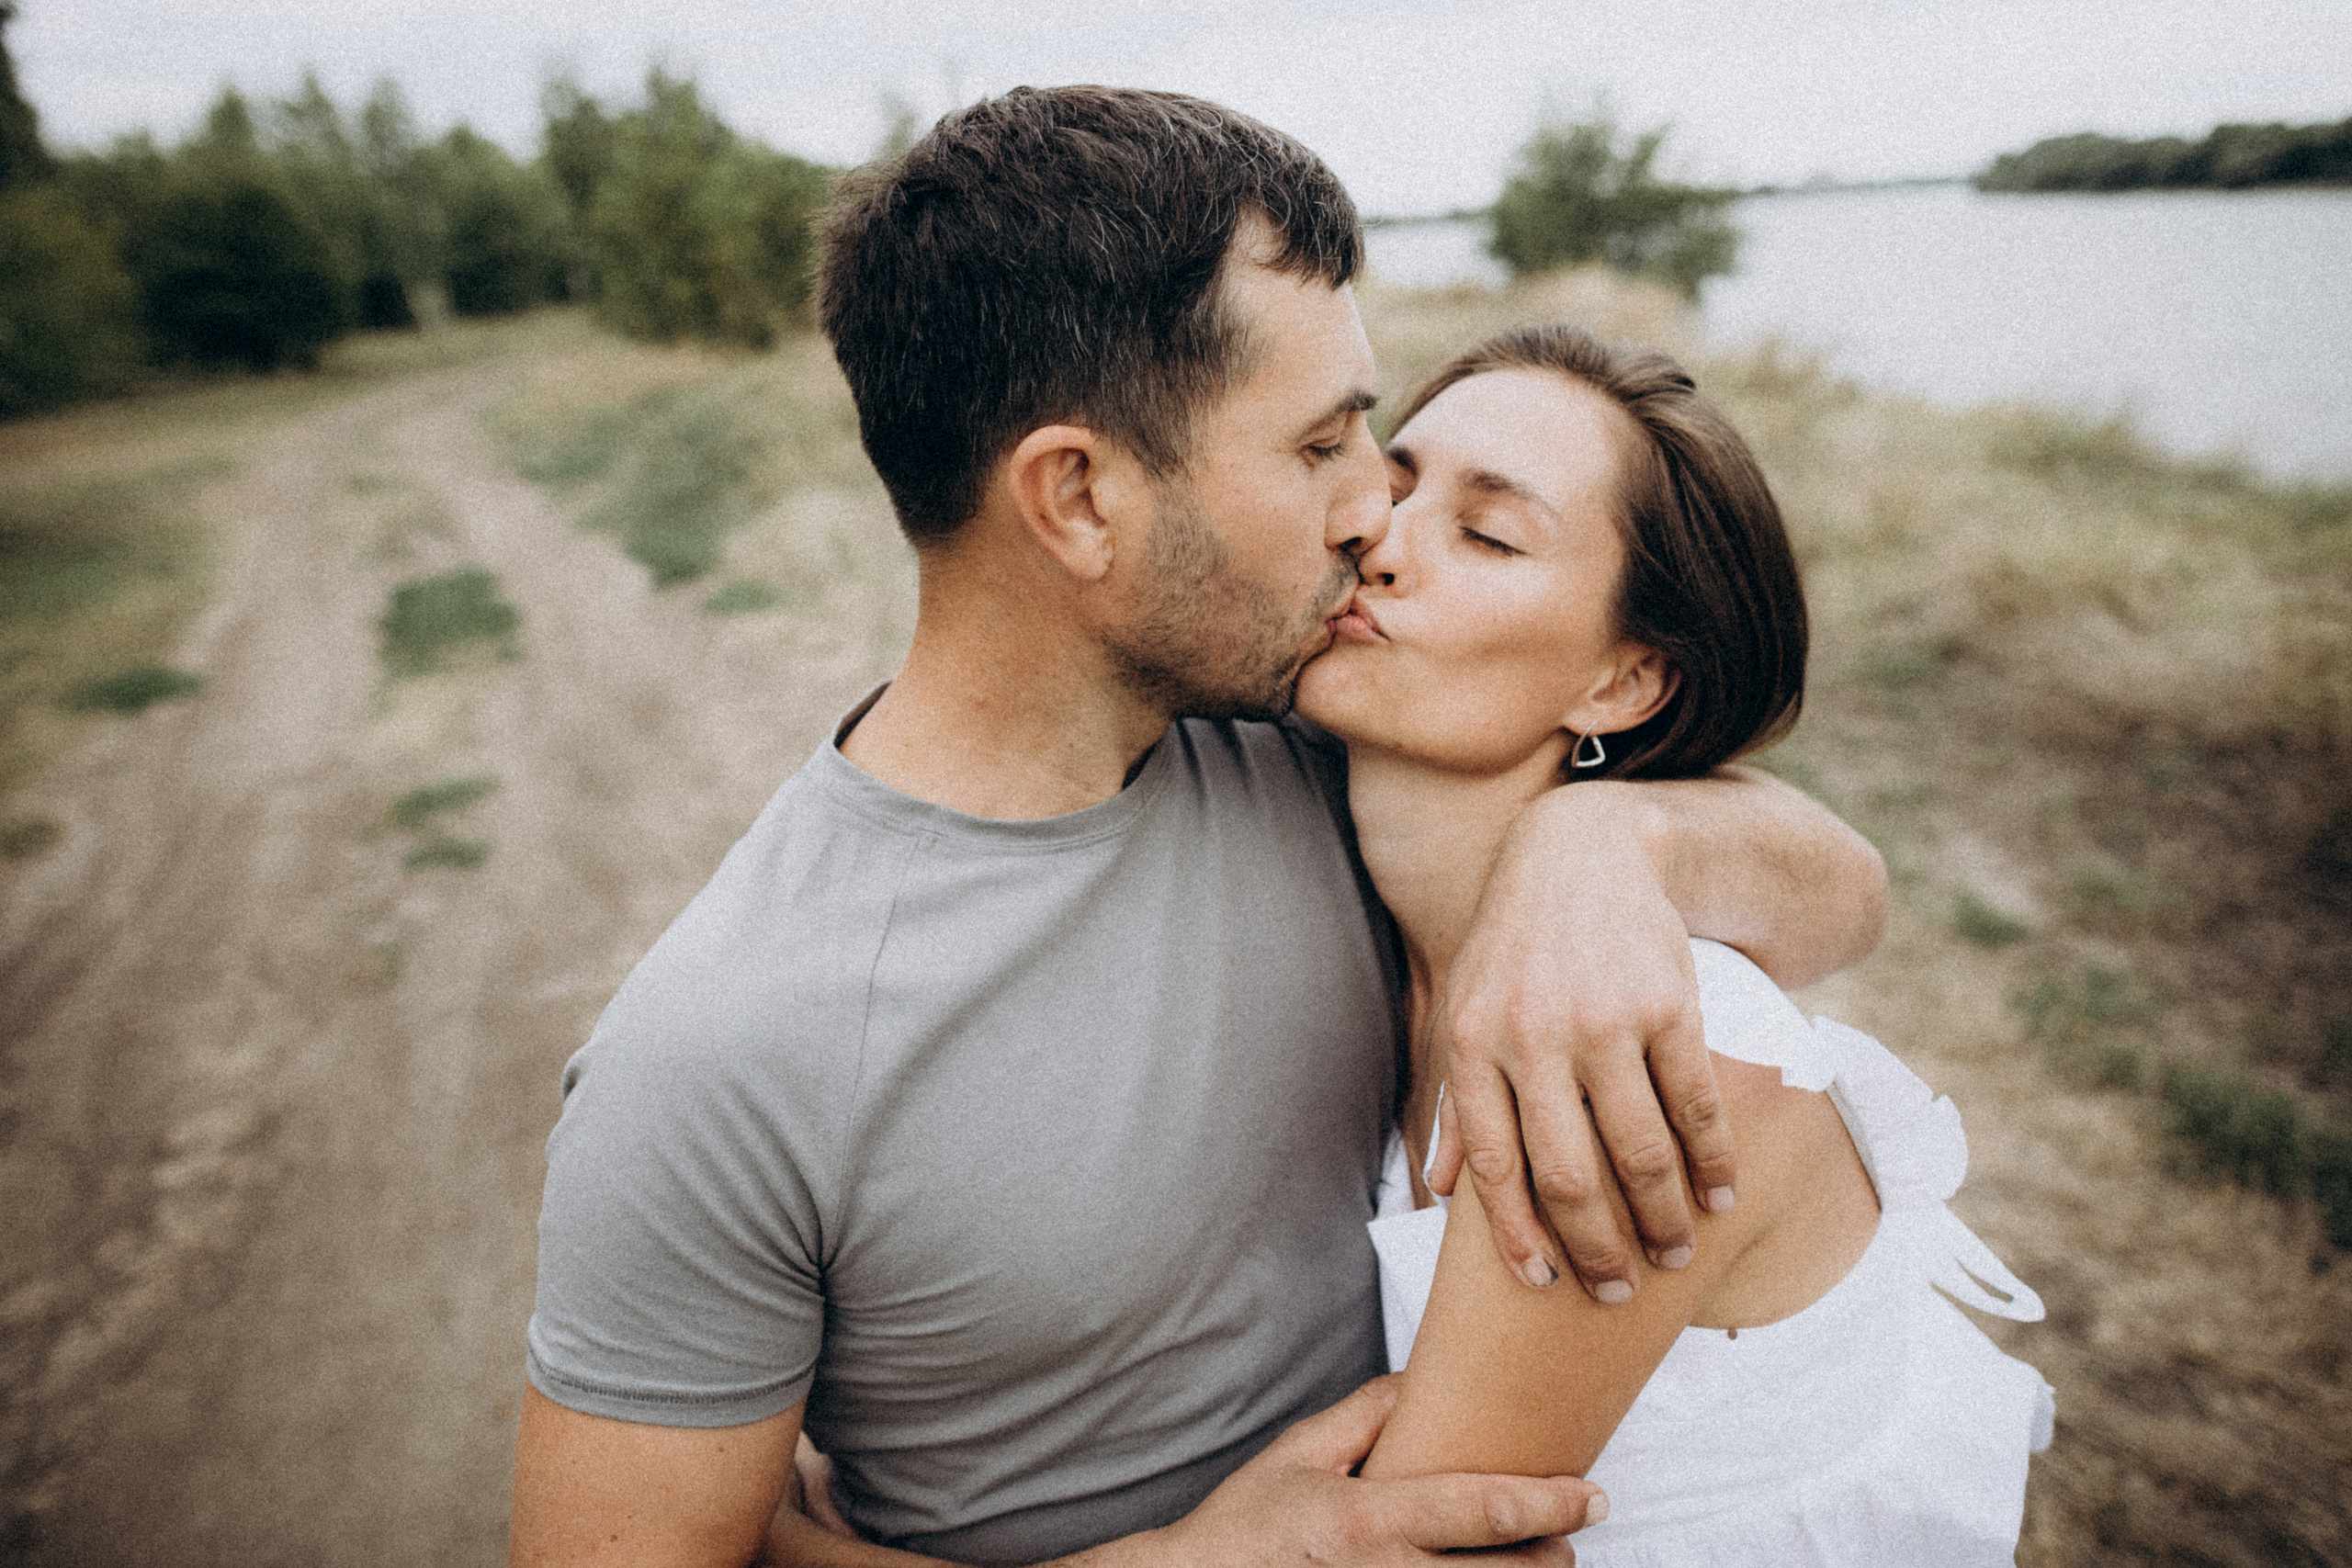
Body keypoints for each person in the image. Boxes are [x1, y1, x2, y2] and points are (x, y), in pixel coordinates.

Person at [508, 88, 1889, 1568]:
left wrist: (1613, 848)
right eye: (1323, 448)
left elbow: (1843, 893)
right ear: (1081, 501)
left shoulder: (1310, 745)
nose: (1375, 513)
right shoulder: (724, 1053)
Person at [1297, 324, 2052, 1562]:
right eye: (1395, 483)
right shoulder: (1356, 905)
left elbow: (1422, 1543)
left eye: (1486, 534)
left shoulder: (1640, 1049)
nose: (1379, 541)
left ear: (1619, 685)